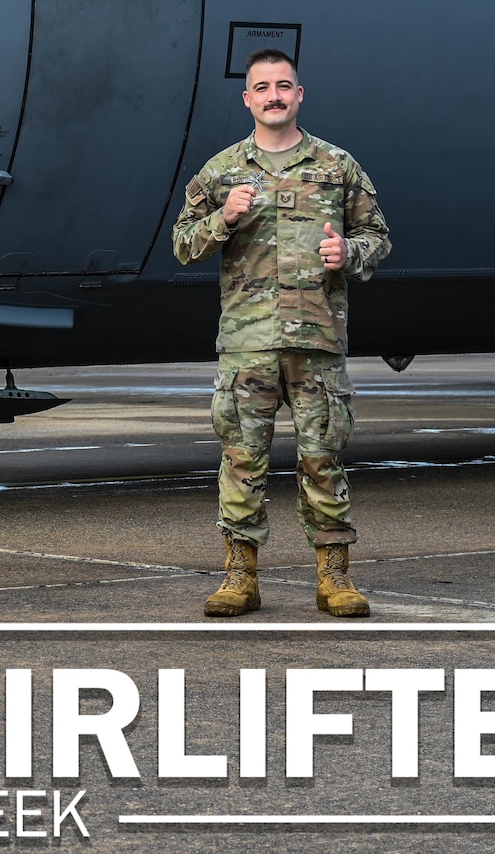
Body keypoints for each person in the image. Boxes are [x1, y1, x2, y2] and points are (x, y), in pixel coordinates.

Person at [172, 49, 391, 617]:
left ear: (299, 96)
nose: (274, 95)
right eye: (262, 87)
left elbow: (377, 235)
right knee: (242, 458)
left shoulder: (337, 166)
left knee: (323, 456)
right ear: (247, 99)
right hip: (248, 342)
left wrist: (350, 252)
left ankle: (334, 578)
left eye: (284, 86)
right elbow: (182, 244)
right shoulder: (222, 172)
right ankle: (239, 578)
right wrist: (223, 219)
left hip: (317, 341)